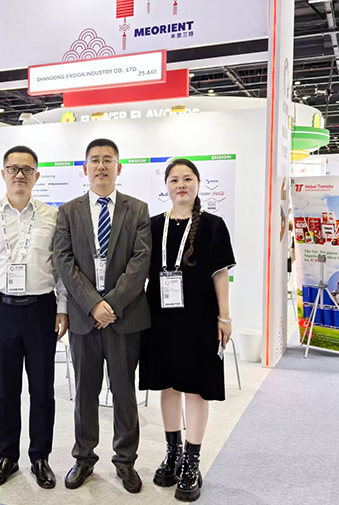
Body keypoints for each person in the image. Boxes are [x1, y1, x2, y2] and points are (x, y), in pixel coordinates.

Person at [54, 138, 151, 493]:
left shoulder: (137, 210)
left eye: (107, 160)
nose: (101, 166)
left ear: (118, 168)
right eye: (94, 160)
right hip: (84, 318)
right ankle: (84, 458)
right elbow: (63, 261)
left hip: (125, 318)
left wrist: (111, 304)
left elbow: (140, 261)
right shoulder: (68, 211)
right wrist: (93, 304)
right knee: (85, 393)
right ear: (85, 168)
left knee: (124, 392)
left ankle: (125, 462)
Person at [139, 158, 236, 502]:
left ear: (198, 183)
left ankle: (192, 462)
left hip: (200, 318)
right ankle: (173, 453)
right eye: (174, 179)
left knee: (195, 389)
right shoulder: (153, 225)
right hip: (160, 318)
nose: (181, 185)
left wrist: (224, 317)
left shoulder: (213, 225)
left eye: (188, 178)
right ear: (166, 185)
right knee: (167, 386)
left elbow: (220, 273)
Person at [0, 145, 68, 489]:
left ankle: (40, 457)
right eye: (13, 169)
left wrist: (62, 307)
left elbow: (60, 268)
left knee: (42, 389)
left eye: (27, 169)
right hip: (2, 310)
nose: (19, 175)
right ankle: (7, 457)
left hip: (41, 310)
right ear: (3, 174)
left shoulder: (53, 216)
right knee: (6, 390)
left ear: (37, 176)